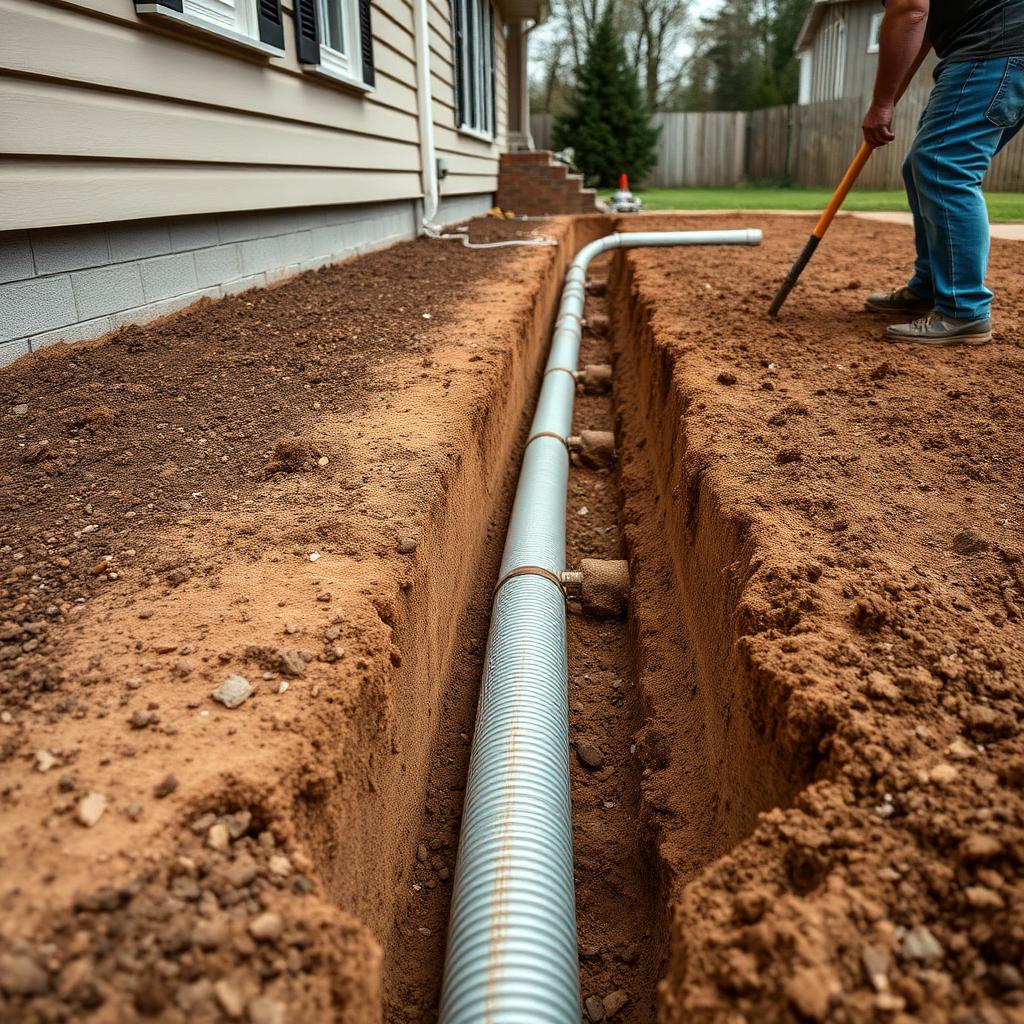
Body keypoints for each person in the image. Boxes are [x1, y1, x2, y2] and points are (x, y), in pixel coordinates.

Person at [862, 0, 1024, 346]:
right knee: (923, 166)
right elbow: (921, 26)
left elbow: (910, 9)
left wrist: (882, 102)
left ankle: (963, 311)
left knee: (944, 166)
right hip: (1004, 49)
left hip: (995, 47)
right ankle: (932, 286)